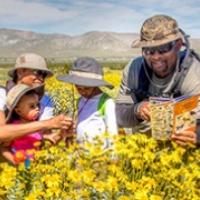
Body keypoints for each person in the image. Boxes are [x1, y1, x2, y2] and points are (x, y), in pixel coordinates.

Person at [116, 14, 200, 146]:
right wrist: (137, 110)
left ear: (178, 45)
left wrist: (198, 135)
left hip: (182, 156)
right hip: (141, 155)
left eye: (163, 49)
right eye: (149, 50)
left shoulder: (194, 73)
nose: (155, 57)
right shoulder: (135, 69)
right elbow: (119, 115)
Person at [0, 53, 73, 143]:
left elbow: (44, 137)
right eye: (38, 73)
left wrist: (61, 135)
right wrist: (48, 123)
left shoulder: (45, 100)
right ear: (20, 72)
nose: (41, 78)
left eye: (44, 75)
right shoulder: (2, 94)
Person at [1, 83, 71, 164]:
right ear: (18, 110)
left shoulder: (37, 126)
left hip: (36, 164)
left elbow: (47, 143)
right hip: (22, 164)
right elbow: (4, 148)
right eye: (32, 106)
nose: (37, 108)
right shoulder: (14, 128)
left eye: (37, 104)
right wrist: (13, 160)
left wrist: (61, 134)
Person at [57, 57, 118, 144]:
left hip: (100, 154)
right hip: (80, 152)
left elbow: (112, 132)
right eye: (78, 88)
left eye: (87, 88)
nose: (82, 91)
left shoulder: (106, 102)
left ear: (95, 85)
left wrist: (112, 155)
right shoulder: (80, 101)